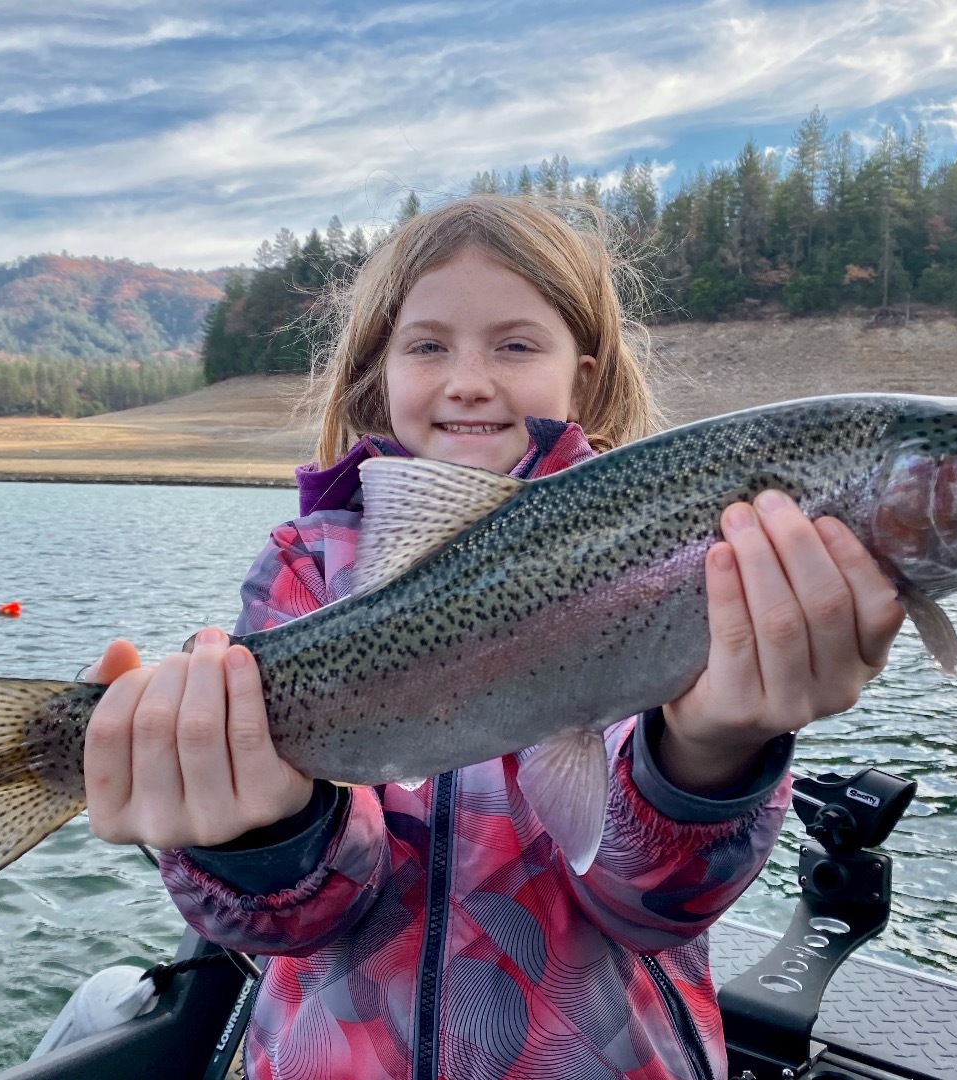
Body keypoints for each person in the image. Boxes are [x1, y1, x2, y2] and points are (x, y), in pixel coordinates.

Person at [81, 195, 904, 1079]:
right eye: (429, 346)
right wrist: (244, 836)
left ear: (581, 375)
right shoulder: (302, 572)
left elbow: (649, 905)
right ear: (379, 374)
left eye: (514, 345)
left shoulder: (683, 550)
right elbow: (295, 919)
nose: (469, 379)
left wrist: (713, 751)